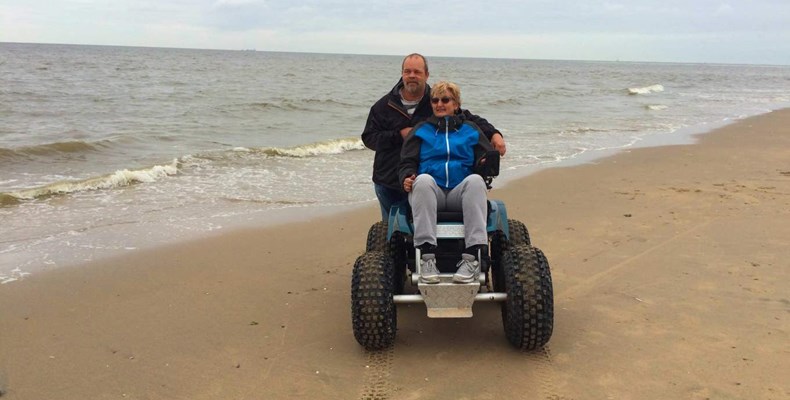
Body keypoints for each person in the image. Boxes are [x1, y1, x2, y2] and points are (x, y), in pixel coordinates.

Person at [362, 53, 506, 221]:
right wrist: (398, 135)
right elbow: (369, 137)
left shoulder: (437, 101)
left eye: (417, 72)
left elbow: (468, 119)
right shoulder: (383, 106)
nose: (412, 76)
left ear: (426, 75)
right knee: (392, 236)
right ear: (402, 74)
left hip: (429, 182)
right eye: (407, 71)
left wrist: (494, 134)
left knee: (433, 230)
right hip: (389, 180)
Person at [399, 81, 495, 284]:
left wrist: (485, 163)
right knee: (423, 180)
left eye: (445, 100)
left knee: (476, 181)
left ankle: (470, 259)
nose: (439, 104)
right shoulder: (422, 130)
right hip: (431, 191)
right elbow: (407, 161)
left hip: (459, 193)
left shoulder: (470, 130)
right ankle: (427, 259)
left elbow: (483, 157)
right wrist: (407, 176)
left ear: (456, 104)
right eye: (435, 100)